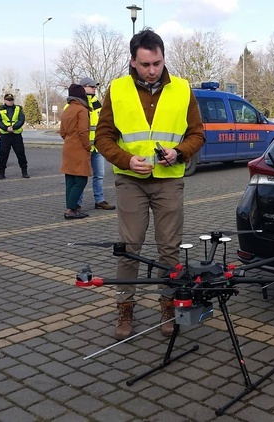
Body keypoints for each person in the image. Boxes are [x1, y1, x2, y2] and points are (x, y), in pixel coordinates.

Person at [95, 29, 205, 340]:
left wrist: (179, 152)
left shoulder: (182, 89)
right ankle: (125, 308)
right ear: (133, 61)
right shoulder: (117, 90)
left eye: (157, 63)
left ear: (163, 58)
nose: (152, 70)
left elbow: (197, 134)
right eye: (145, 65)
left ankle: (168, 306)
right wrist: (125, 159)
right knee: (129, 249)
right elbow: (103, 137)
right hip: (131, 180)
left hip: (169, 181)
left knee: (169, 249)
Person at [76, 77, 116, 211]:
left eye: (95, 86)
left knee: (99, 175)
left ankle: (99, 200)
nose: (94, 88)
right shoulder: (76, 104)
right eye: (91, 86)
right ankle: (77, 203)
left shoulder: (98, 104)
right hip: (83, 148)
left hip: (97, 147)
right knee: (81, 176)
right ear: (83, 87)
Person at [60, 84, 93, 219]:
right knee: (80, 181)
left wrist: (69, 140)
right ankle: (71, 209)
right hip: (79, 148)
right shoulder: (81, 110)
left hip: (68, 148)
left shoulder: (67, 109)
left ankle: (70, 207)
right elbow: (83, 131)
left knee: (70, 181)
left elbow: (62, 132)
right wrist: (87, 146)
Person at [0, 93, 29, 179]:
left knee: (21, 154)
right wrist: (6, 128)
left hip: (16, 134)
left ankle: (24, 171)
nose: (10, 102)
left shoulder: (18, 108)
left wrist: (14, 127)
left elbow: (21, 119)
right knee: (3, 155)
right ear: (5, 100)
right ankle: (1, 173)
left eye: (11, 100)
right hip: (5, 135)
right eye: (8, 100)